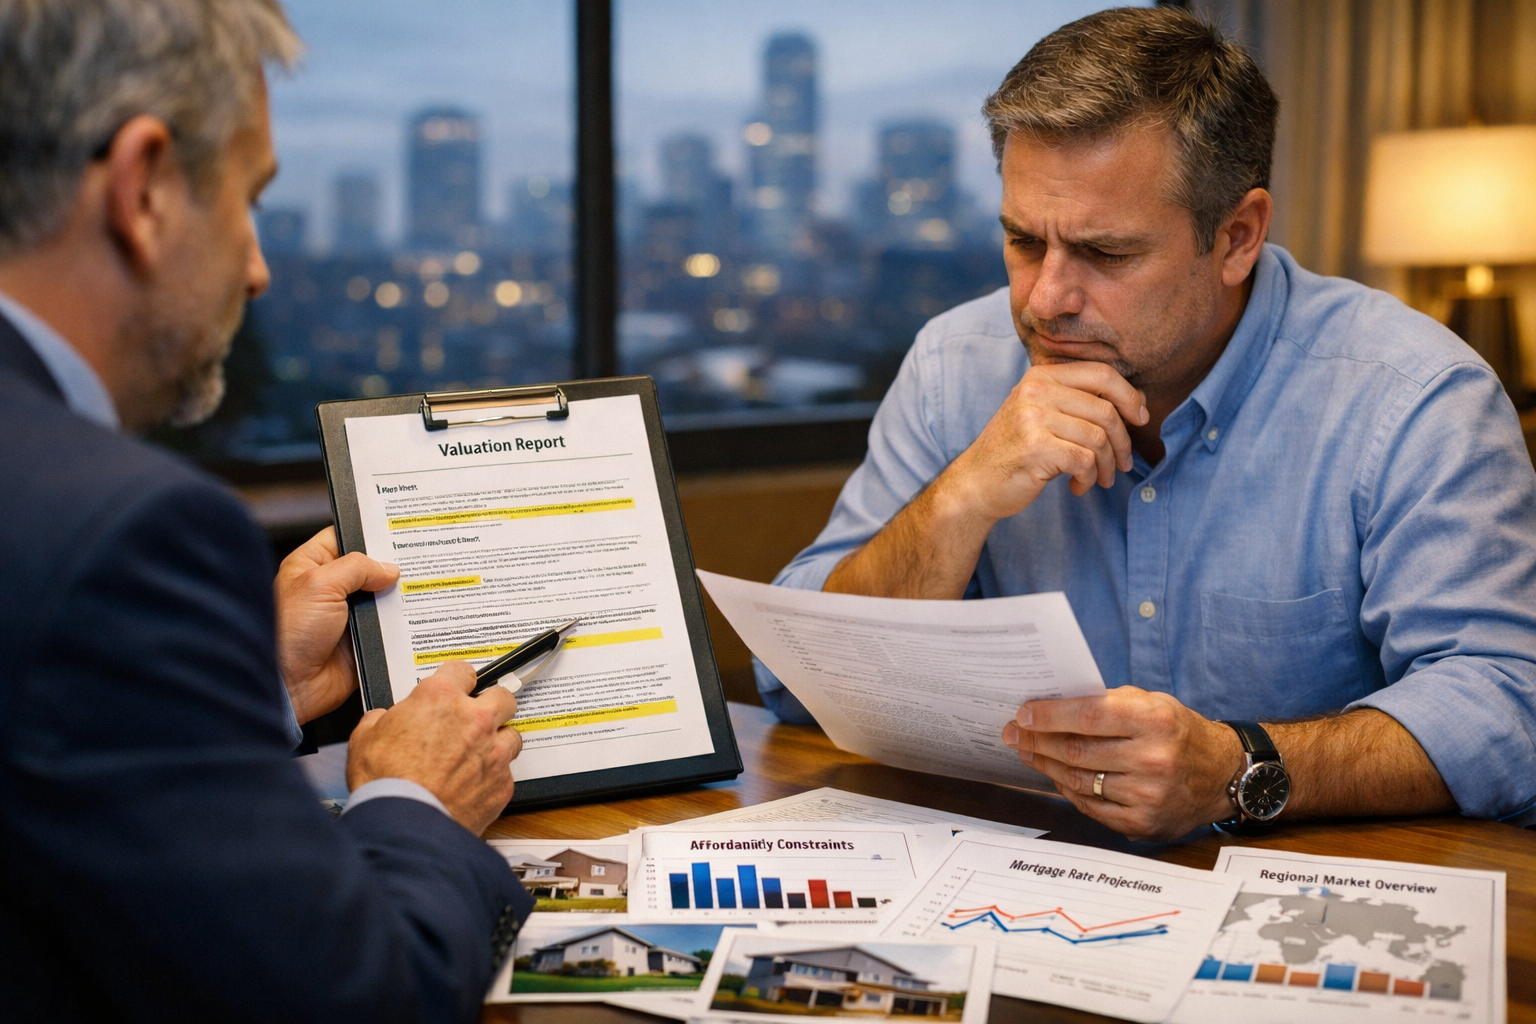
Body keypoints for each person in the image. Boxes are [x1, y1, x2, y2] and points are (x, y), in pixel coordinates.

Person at [756, 6, 1536, 841]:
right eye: (1024, 242)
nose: (1046, 299)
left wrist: (1238, 767)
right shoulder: (957, 364)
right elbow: (794, 682)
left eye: (1106, 254)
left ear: (1237, 236)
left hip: (1300, 896)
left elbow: (1504, 704)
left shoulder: (1413, 397)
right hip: (1017, 874)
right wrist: (958, 500)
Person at [0, 1, 533, 1018]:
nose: (257, 267)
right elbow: (357, 999)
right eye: (249, 198)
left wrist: (249, 690)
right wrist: (412, 798)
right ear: (144, 186)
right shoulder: (116, 528)